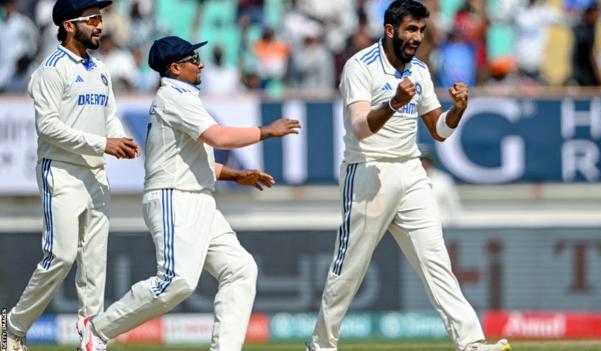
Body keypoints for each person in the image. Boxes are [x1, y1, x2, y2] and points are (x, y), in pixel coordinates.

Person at [306, 2, 511, 351]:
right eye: (410, 30)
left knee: (436, 260)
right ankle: (322, 345)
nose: (417, 37)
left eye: (421, 30)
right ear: (390, 30)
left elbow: (439, 131)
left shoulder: (418, 69)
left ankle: (472, 343)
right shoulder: (361, 66)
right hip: (369, 170)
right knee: (350, 266)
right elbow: (359, 129)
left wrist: (458, 110)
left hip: (411, 170)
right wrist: (394, 104)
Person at [78, 35, 301, 351]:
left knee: (240, 269)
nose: (201, 64)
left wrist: (237, 175)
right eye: (193, 60)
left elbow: (197, 161)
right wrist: (266, 131)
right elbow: (219, 137)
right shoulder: (175, 97)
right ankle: (97, 330)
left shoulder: (185, 98)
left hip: (198, 198)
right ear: (175, 68)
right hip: (174, 197)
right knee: (177, 281)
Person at [5, 1, 140, 350]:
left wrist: (120, 140)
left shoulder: (100, 68)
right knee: (61, 256)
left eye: (101, 18)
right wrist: (102, 143)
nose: (100, 26)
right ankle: (13, 326)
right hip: (61, 172)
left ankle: (91, 339)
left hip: (95, 174)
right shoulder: (51, 69)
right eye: (93, 19)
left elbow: (110, 115)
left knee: (94, 265)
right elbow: (48, 128)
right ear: (69, 25)